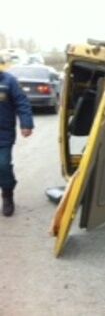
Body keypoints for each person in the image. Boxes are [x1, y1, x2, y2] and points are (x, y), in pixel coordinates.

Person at [0, 68, 34, 216]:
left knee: (3, 164)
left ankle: (7, 194)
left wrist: (26, 124)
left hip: (4, 132)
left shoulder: (9, 81)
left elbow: (22, 102)